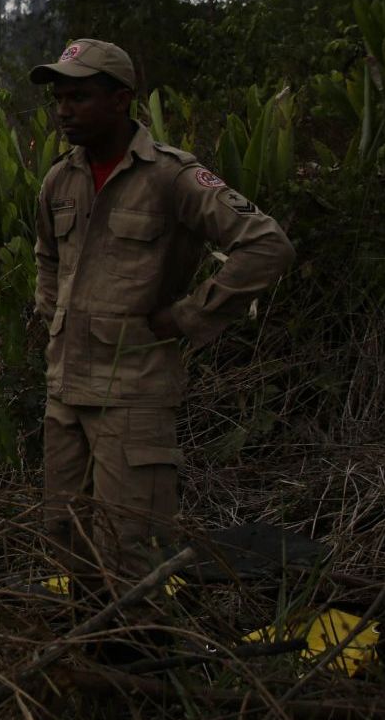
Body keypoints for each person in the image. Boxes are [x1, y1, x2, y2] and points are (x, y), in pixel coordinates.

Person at [31, 39, 293, 584]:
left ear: (122, 99)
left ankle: (139, 659)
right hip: (65, 396)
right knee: (65, 543)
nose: (64, 110)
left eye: (79, 96)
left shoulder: (171, 176)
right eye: (59, 97)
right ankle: (82, 661)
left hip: (132, 398)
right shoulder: (61, 179)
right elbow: (47, 257)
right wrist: (52, 319)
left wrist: (189, 316)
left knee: (132, 554)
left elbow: (266, 246)